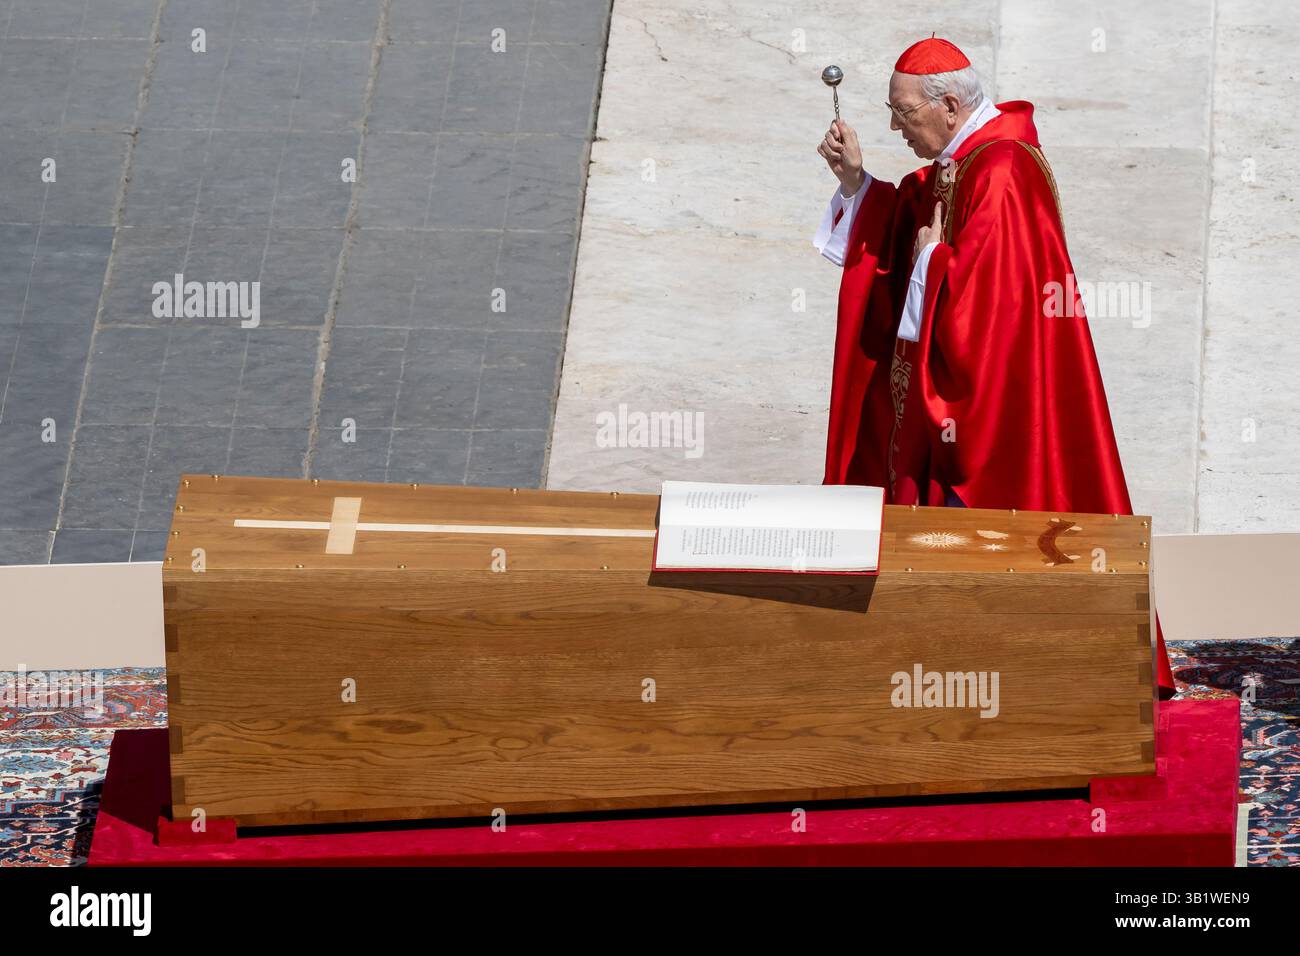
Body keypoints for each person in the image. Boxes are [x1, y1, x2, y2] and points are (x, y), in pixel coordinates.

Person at [813, 36, 1175, 698]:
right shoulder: (962, 164)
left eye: (903, 113)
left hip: (1001, 407)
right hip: (945, 400)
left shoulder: (1003, 171)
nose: (895, 126)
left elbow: (991, 309)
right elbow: (914, 220)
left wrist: (930, 262)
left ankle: (1028, 678)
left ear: (949, 105)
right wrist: (857, 185)